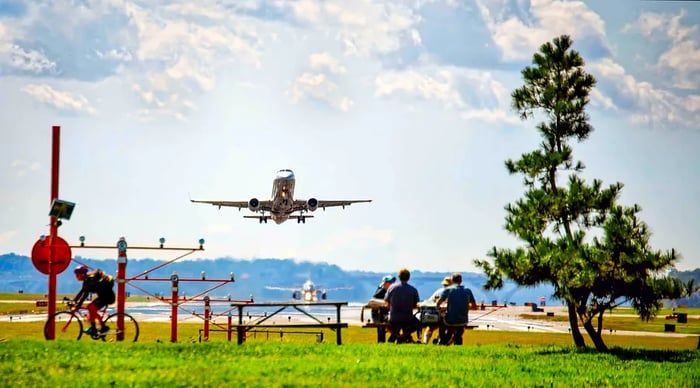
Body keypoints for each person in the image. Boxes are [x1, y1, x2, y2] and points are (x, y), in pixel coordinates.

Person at [72, 265, 116, 336]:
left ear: (82, 274)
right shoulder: (87, 280)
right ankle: (103, 327)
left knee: (90, 307)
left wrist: (77, 306)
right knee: (92, 310)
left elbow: (85, 295)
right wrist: (74, 301)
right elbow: (82, 291)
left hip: (107, 297)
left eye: (77, 275)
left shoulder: (90, 280)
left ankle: (93, 329)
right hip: (103, 296)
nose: (76, 276)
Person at [437, 272, 476, 345]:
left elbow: (438, 303)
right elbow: (474, 306)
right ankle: (451, 341)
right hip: (463, 320)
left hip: (450, 320)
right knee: (459, 329)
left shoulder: (448, 289)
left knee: (440, 324)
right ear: (461, 281)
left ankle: (443, 340)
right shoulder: (468, 290)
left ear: (452, 280)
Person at [384, 268, 420, 343]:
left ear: (399, 277)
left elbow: (387, 303)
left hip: (393, 318)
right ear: (409, 278)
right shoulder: (413, 290)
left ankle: (398, 336)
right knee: (419, 323)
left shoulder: (391, 288)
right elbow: (416, 305)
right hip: (408, 318)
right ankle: (404, 336)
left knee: (385, 321)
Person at [421, 276, 452, 344]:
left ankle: (425, 342)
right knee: (452, 329)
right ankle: (445, 342)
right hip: (447, 318)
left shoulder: (438, 292)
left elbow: (429, 302)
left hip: (435, 316)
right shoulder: (453, 293)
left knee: (430, 328)